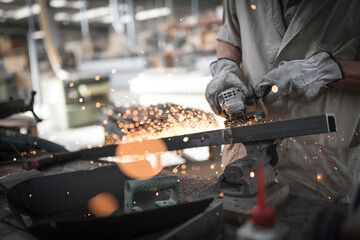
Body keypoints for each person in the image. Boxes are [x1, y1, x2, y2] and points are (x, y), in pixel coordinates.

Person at [206, 0, 360, 202]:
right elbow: (229, 36)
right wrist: (226, 67)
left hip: (320, 164)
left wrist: (327, 71)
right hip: (244, 158)